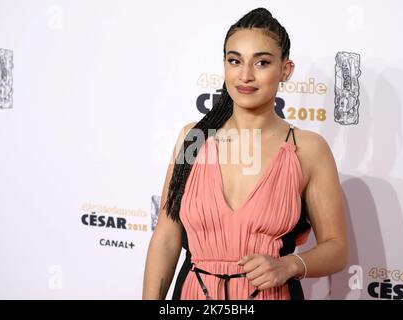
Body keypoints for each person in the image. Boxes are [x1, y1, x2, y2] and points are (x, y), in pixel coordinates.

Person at [142, 7, 349, 300]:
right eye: (234, 61)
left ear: (285, 70)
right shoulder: (194, 139)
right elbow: (165, 237)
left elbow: (337, 247)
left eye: (262, 62)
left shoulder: (309, 149)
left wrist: (290, 264)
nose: (245, 75)